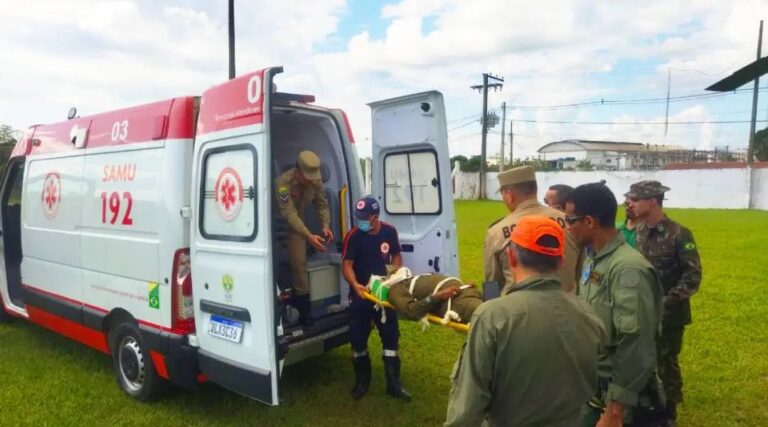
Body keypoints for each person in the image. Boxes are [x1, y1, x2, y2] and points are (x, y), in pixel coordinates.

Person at [445, 216, 606, 426]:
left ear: (511, 257)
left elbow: (467, 408)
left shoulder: (493, 316)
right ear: (561, 261)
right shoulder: (588, 314)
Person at [565, 183, 666, 427]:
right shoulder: (594, 258)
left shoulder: (627, 270)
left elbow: (636, 342)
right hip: (594, 387)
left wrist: (615, 409)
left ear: (589, 221)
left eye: (570, 221)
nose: (567, 228)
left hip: (619, 396)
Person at [626, 180, 702, 423]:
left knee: (666, 364)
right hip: (639, 310)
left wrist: (667, 303)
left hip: (669, 315)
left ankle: (669, 413)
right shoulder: (637, 231)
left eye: (636, 200)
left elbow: (693, 276)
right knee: (640, 360)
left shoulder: (679, 233)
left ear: (652, 201)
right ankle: (645, 409)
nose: (631, 204)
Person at [342, 196, 411, 401]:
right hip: (362, 296)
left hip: (383, 296)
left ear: (374, 216)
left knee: (391, 338)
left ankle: (393, 385)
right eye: (358, 217)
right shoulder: (354, 236)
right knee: (357, 339)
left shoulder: (389, 232)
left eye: (364, 217)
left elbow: (397, 255)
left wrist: (394, 274)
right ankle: (362, 383)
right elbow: (346, 265)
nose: (360, 221)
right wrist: (356, 286)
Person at [484, 166, 579, 293]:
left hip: (516, 310)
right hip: (567, 306)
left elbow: (492, 284)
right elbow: (582, 271)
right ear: (535, 189)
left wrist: (490, 310)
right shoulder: (570, 222)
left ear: (509, 195)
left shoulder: (497, 232)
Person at [275, 150, 333, 326]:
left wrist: (325, 226)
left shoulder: (315, 181)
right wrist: (309, 236)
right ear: (297, 171)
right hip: (279, 222)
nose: (311, 180)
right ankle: (291, 306)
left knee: (299, 263)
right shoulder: (283, 184)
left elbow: (321, 203)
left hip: (298, 226)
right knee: (289, 264)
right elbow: (289, 213)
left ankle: (304, 312)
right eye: (307, 176)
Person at [367, 268, 482, 324]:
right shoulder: (395, 290)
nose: (395, 267)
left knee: (497, 305)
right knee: (489, 315)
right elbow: (412, 310)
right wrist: (438, 296)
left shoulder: (414, 279)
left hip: (468, 292)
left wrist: (465, 286)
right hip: (457, 303)